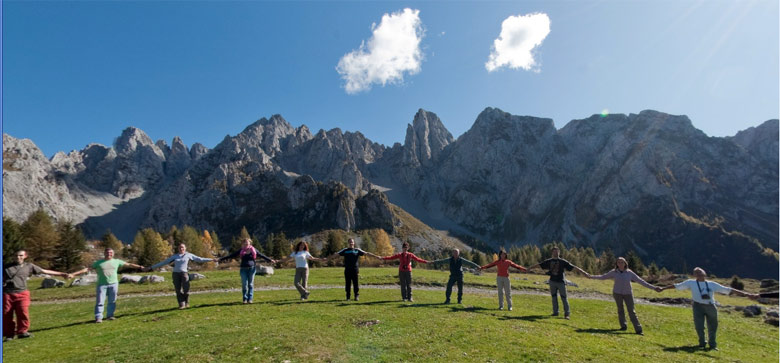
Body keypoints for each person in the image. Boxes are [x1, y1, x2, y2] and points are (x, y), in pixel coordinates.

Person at [659, 267, 757, 350]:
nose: (699, 275)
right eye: (697, 274)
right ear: (694, 275)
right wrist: (663, 288)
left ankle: (712, 345)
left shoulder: (712, 284)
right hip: (697, 306)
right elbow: (677, 286)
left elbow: (728, 290)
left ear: (705, 274)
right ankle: (702, 343)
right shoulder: (691, 283)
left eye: (701, 274)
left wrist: (746, 294)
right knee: (699, 326)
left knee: (712, 326)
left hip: (710, 306)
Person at [3, 250, 70, 340]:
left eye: (20, 255)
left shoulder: (29, 266)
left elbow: (44, 271)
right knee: (6, 314)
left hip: (22, 293)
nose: (18, 257)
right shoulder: (5, 267)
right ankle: (9, 334)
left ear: (25, 256)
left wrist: (62, 274)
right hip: (7, 294)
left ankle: (22, 332)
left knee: (23, 312)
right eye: (16, 255)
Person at [588, 257, 659, 334]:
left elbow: (641, 281)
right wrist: (590, 276)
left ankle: (638, 329)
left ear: (625, 263)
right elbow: (602, 277)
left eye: (622, 262)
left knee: (631, 311)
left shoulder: (630, 273)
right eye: (619, 262)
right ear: (616, 264)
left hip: (628, 294)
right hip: (617, 293)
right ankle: (623, 326)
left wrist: (654, 288)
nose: (620, 264)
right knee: (620, 310)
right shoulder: (614, 272)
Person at [71, 248, 145, 323]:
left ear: (113, 254)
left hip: (114, 284)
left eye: (111, 253)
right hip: (102, 285)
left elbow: (129, 265)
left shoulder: (117, 261)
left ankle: (110, 315)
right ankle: (98, 317)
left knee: (112, 301)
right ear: (104, 253)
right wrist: (73, 274)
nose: (109, 254)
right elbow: (87, 269)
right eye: (107, 252)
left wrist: (139, 267)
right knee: (100, 301)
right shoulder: (98, 263)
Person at [528, 247, 589, 319]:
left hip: (561, 282)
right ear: (552, 253)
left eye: (557, 252)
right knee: (554, 297)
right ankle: (555, 312)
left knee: (564, 298)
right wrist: (529, 268)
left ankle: (567, 314)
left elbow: (573, 267)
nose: (555, 253)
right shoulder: (549, 261)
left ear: (559, 253)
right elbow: (539, 265)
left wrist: (583, 272)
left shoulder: (563, 262)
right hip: (552, 282)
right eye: (554, 252)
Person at [147, 244, 214, 309]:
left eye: (182, 247)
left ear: (185, 248)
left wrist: (211, 259)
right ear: (178, 249)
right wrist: (151, 267)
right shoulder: (175, 256)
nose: (181, 249)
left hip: (184, 273)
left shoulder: (189, 255)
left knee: (186, 289)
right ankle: (181, 304)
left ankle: (186, 302)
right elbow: (164, 262)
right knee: (178, 290)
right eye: (180, 248)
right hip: (175, 274)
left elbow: (200, 259)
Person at [219, 238, 276, 304]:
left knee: (250, 284)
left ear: (250, 243)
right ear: (242, 244)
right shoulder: (241, 250)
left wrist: (270, 260)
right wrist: (221, 259)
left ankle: (250, 299)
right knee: (244, 284)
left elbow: (261, 255)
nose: (246, 244)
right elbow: (231, 255)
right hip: (243, 269)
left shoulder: (253, 250)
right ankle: (244, 299)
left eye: (247, 243)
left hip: (252, 269)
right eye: (245, 243)